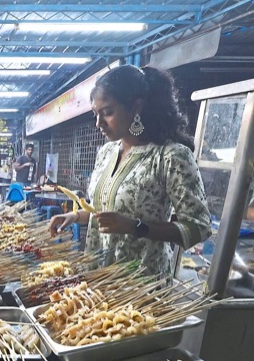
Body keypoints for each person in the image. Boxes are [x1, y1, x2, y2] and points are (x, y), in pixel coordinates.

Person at [49, 65, 212, 278]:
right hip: (99, 279)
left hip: (142, 284)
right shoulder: (106, 153)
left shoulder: (170, 156)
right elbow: (106, 213)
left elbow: (199, 228)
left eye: (108, 112)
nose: (98, 123)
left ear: (136, 107)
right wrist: (75, 216)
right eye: (95, 114)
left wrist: (136, 227)